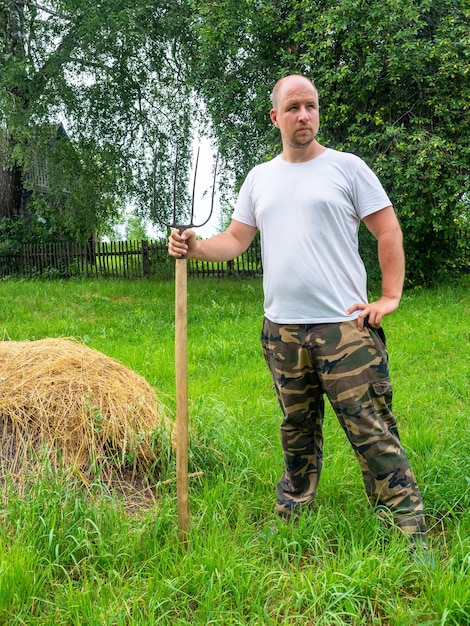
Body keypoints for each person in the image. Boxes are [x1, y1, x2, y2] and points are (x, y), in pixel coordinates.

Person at [168, 74, 429, 554]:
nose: (303, 115)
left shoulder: (347, 168)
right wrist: (196, 247)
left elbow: (387, 230)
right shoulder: (259, 178)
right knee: (296, 429)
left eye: (309, 105)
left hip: (343, 330)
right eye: (292, 108)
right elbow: (236, 240)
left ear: (317, 112)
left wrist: (389, 296)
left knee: (370, 428)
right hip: (282, 331)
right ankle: (293, 511)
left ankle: (408, 529)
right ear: (275, 117)